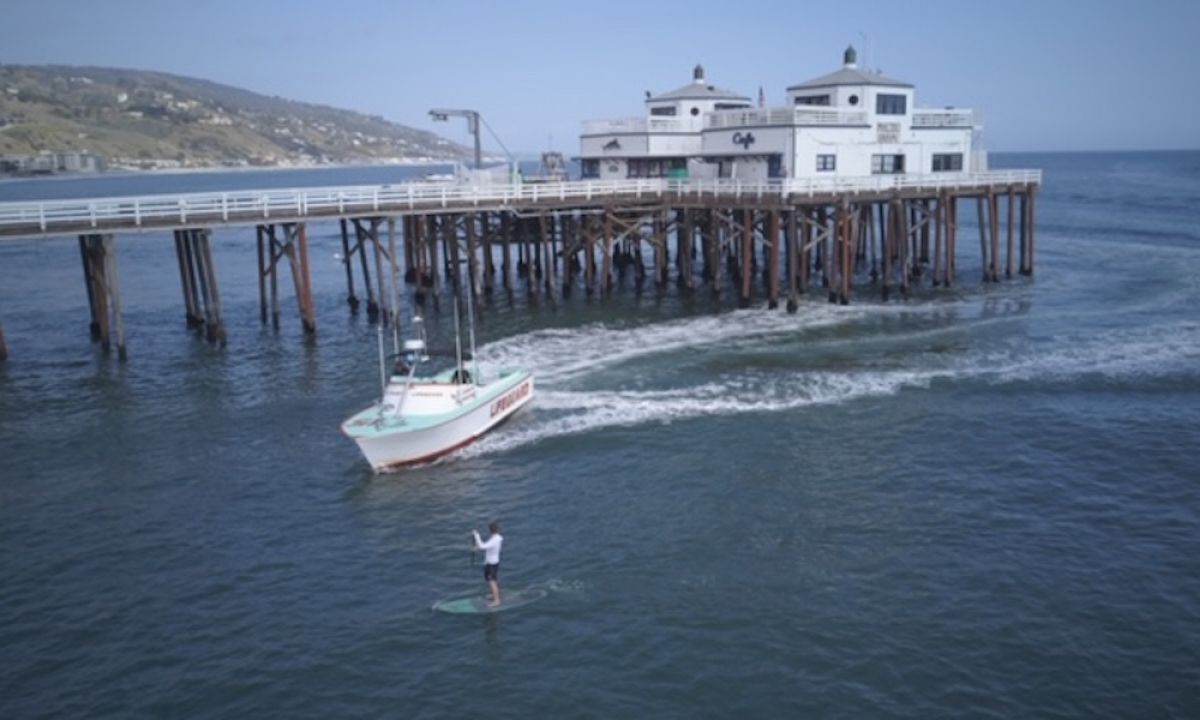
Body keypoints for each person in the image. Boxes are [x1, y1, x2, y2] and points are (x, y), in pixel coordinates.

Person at [472, 522, 503, 607]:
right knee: (490, 579)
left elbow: (483, 546)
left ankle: (497, 600)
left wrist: (476, 535)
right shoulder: (494, 538)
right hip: (489, 563)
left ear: (490, 530)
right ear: (498, 530)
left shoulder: (495, 539)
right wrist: (477, 547)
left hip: (492, 564)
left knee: (492, 581)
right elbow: (487, 547)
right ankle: (495, 594)